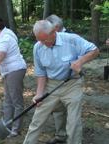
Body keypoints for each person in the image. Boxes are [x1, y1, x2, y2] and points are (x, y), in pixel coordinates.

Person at [23, 20, 99, 144]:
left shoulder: (71, 40)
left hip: (72, 84)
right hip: (51, 84)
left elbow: (95, 50)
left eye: (45, 40)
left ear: (54, 32)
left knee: (73, 121)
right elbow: (41, 72)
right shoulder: (38, 47)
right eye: (39, 40)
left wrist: (80, 62)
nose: (42, 43)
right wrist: (39, 94)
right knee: (38, 118)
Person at [44, 14, 69, 144]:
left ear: (56, 27)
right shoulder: (48, 39)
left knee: (71, 113)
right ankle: (60, 136)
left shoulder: (71, 39)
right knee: (58, 110)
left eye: (49, 28)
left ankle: (71, 138)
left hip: (70, 82)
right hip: (53, 82)